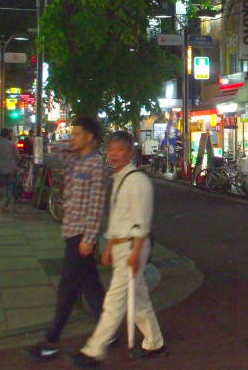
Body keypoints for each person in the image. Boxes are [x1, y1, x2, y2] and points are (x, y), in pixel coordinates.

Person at [70, 131, 166, 367]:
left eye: (119, 149)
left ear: (130, 153)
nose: (114, 154)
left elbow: (141, 222)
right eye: (111, 149)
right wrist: (109, 246)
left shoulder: (137, 181)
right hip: (122, 246)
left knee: (114, 300)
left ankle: (93, 350)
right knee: (138, 298)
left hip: (133, 247)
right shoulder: (119, 178)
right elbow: (117, 219)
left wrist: (134, 254)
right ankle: (155, 342)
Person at [24, 116, 108, 361]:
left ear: (90, 137)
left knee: (67, 290)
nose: (73, 138)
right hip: (72, 232)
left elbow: (96, 206)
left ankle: (50, 341)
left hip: (81, 235)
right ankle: (109, 330)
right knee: (91, 286)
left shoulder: (96, 165)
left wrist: (90, 238)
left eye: (78, 134)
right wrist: (71, 141)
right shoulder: (76, 158)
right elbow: (51, 150)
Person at [0, 128, 20, 209]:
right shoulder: (12, 144)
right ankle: (7, 199)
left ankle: (2, 198)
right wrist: (16, 162)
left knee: (0, 184)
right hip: (10, 167)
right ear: (8, 135)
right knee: (9, 184)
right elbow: (17, 155)